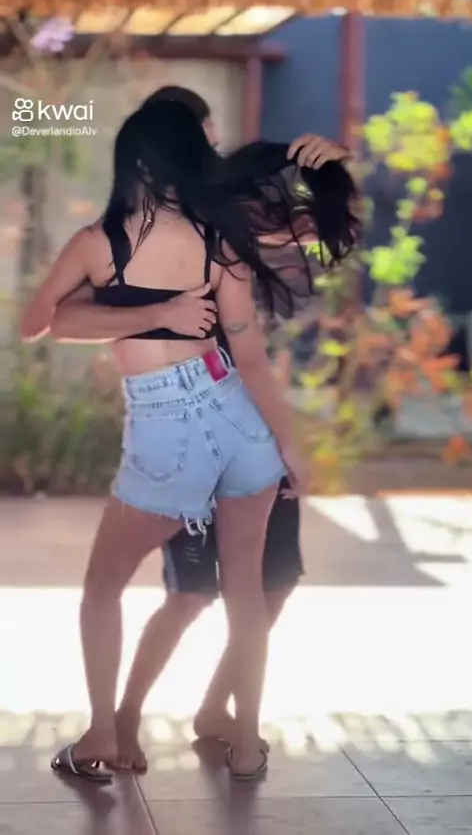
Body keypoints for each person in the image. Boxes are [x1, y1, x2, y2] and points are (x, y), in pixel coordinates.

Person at [21, 97, 357, 782]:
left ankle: (102, 735)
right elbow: (251, 356)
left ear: (134, 160)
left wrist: (147, 311)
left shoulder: (101, 241)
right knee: (242, 593)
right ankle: (245, 746)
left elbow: (35, 323)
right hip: (238, 416)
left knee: (105, 586)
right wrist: (288, 445)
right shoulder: (218, 238)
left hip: (169, 425)